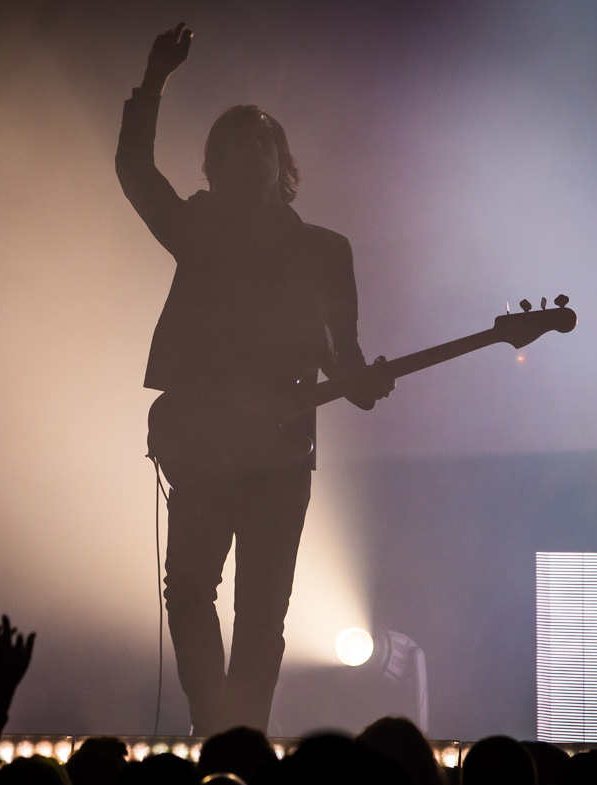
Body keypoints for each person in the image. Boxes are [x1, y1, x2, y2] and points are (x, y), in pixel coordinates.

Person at [116, 23, 392, 735]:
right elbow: (135, 171)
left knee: (262, 609)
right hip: (208, 445)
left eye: (258, 147)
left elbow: (344, 356)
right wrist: (155, 81)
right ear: (214, 166)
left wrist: (363, 381)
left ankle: (237, 736)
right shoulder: (199, 228)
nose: (245, 161)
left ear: (281, 164)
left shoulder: (325, 252)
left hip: (278, 452)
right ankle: (219, 724)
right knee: (189, 592)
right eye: (230, 151)